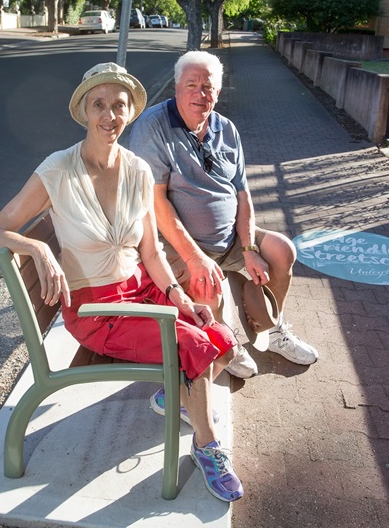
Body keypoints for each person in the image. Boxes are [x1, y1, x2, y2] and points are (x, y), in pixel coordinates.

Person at [0, 62, 243, 503]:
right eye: (98, 105)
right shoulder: (58, 170)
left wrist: (179, 298)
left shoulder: (138, 169)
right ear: (84, 110)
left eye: (118, 106)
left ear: (129, 112)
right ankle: (206, 446)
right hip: (97, 311)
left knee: (225, 340)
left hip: (141, 291)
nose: (109, 116)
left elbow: (151, 254)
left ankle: (176, 395)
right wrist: (39, 249)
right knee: (198, 348)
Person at [129, 51, 318, 378]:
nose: (200, 94)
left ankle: (271, 329)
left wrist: (248, 248)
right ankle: (224, 347)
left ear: (218, 91)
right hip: (177, 243)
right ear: (176, 87)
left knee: (281, 249)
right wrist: (194, 257)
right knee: (206, 281)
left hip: (229, 238)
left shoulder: (226, 129)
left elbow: (242, 194)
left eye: (208, 87)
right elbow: (154, 203)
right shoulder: (152, 127)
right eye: (191, 85)